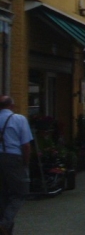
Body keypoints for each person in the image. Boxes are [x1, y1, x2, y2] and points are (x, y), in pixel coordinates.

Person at [0, 96, 33, 235]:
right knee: (20, 193)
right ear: (12, 106)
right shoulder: (19, 119)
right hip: (13, 159)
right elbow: (25, 145)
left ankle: (6, 229)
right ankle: (4, 224)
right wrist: (26, 163)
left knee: (2, 195)